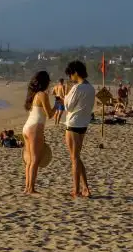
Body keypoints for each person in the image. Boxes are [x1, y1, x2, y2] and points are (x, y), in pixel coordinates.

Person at [62, 61, 95, 198]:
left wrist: (66, 93)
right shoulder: (91, 88)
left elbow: (68, 106)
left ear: (75, 72)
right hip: (83, 124)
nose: (70, 77)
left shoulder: (77, 88)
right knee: (77, 157)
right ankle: (85, 187)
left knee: (74, 158)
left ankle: (76, 190)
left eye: (70, 74)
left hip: (73, 124)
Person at [22, 71, 55, 194]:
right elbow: (49, 114)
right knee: (35, 160)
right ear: (45, 82)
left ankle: (27, 187)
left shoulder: (33, 94)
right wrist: (57, 105)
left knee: (29, 160)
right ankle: (31, 188)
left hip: (27, 128)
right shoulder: (42, 95)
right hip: (35, 129)